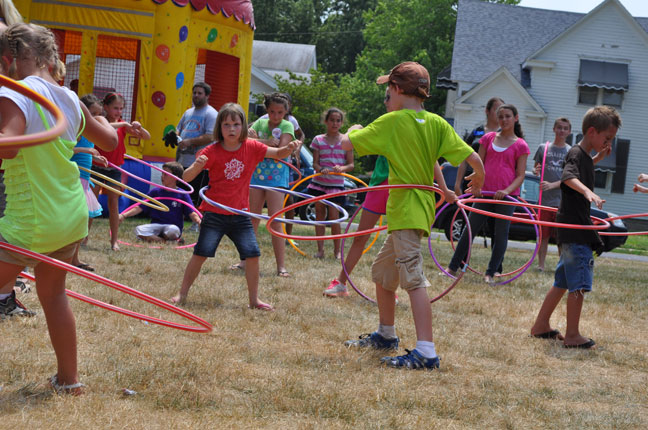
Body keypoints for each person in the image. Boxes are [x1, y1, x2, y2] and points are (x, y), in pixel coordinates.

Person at [341, 61, 484, 370]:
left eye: (387, 91)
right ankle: (386, 334)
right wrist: (479, 174)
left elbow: (344, 144)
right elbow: (469, 156)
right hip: (415, 212)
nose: (386, 98)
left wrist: (352, 130)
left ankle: (426, 351)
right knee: (382, 274)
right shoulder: (436, 123)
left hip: (406, 212)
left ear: (396, 89)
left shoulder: (392, 121)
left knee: (414, 281)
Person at [0, 23, 117, 394]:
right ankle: (69, 381)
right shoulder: (66, 97)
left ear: (8, 61)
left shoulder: (17, 93)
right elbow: (111, 140)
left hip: (32, 219)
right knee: (53, 295)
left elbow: (9, 147)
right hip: (69, 215)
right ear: (53, 60)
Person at [169, 103, 297, 309]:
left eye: (236, 124)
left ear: (243, 126)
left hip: (240, 215)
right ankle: (182, 294)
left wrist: (289, 148)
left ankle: (254, 300)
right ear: (219, 127)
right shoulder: (211, 151)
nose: (231, 129)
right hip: (214, 213)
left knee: (253, 254)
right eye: (226, 124)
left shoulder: (252, 147)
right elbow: (185, 178)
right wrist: (197, 166)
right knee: (200, 254)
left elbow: (278, 153)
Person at [530, 106, 620, 349]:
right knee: (578, 283)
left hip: (571, 229)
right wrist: (588, 191)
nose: (607, 142)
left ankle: (540, 326)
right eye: (606, 137)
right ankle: (572, 335)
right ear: (592, 131)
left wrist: (598, 159)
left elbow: (579, 166)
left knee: (562, 281)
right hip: (577, 231)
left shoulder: (582, 155)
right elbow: (569, 177)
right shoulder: (576, 154)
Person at [323, 158, 456, 298]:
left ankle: (390, 291)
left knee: (399, 242)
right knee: (361, 236)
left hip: (404, 187)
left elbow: (431, 157)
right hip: (381, 183)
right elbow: (351, 141)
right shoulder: (387, 135)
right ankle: (341, 283)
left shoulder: (420, 136)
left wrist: (444, 188)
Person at [446, 103, 530, 285]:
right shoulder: (488, 138)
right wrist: (476, 186)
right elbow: (478, 165)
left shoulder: (521, 145)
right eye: (501, 117)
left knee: (500, 234)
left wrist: (506, 192)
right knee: (470, 229)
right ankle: (452, 267)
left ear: (516, 118)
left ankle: (491, 273)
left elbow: (521, 175)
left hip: (507, 197)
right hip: (485, 193)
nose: (504, 120)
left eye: (508, 116)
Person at [232, 92, 295, 277]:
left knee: (276, 221)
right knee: (252, 219)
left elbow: (281, 152)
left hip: (276, 180)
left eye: (280, 112)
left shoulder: (287, 125)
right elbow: (245, 143)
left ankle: (281, 266)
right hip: (256, 176)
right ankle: (244, 260)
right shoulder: (260, 122)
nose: (276, 116)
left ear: (286, 111)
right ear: (267, 110)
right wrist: (265, 142)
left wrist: (257, 142)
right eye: (272, 112)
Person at [91, 92, 151, 251]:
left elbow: (147, 137)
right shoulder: (99, 121)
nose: (118, 112)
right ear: (106, 107)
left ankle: (114, 241)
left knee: (114, 204)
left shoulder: (123, 125)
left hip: (114, 169)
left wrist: (139, 127)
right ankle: (84, 238)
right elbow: (106, 127)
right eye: (115, 108)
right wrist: (124, 125)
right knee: (91, 203)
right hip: (96, 167)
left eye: (121, 108)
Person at [307, 107, 354, 259]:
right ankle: (320, 250)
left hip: (336, 185)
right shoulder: (318, 140)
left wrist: (342, 168)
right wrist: (321, 169)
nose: (335, 123)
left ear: (341, 123)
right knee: (319, 215)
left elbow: (351, 165)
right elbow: (314, 164)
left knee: (334, 217)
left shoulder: (346, 141)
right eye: (332, 120)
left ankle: (337, 252)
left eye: (338, 120)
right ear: (326, 121)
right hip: (319, 183)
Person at [70, 94, 109, 271]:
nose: (94, 118)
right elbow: (66, 149)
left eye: (98, 114)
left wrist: (95, 159)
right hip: (74, 179)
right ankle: (70, 258)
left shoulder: (90, 130)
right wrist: (87, 149)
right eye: (91, 114)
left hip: (84, 179)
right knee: (76, 219)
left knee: (81, 221)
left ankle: (74, 258)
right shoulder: (78, 129)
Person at [118, 161, 201, 242]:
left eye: (165, 174)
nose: (162, 176)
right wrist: (123, 215)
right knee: (138, 230)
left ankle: (156, 239)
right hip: (156, 225)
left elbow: (191, 212)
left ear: (175, 177)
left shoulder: (182, 194)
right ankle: (164, 241)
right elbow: (139, 207)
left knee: (173, 230)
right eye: (162, 173)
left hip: (172, 227)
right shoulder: (155, 192)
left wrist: (199, 221)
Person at [170, 82, 218, 208]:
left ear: (207, 96)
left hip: (199, 163)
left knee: (195, 195)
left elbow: (211, 136)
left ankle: (194, 218)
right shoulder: (188, 112)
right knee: (182, 192)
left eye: (200, 93)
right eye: (195, 93)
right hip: (182, 161)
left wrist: (190, 142)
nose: (196, 96)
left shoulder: (211, 113)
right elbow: (179, 128)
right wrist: (175, 136)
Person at [532, 117, 572, 271]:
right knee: (543, 236)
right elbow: (537, 167)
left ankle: (561, 267)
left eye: (565, 128)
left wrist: (552, 185)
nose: (562, 131)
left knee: (561, 237)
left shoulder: (570, 152)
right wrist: (537, 171)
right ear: (554, 129)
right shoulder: (544, 148)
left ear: (569, 132)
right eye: (559, 127)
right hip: (544, 201)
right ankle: (541, 265)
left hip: (562, 202)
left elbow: (570, 179)